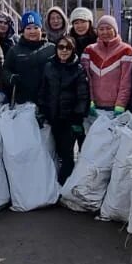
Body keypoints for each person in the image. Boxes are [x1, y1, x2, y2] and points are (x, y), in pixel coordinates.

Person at [35, 35, 90, 184]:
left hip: (69, 120)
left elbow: (83, 96)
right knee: (54, 152)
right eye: (61, 47)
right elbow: (43, 91)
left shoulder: (78, 69)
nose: (64, 51)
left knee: (68, 155)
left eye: (68, 47)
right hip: (52, 118)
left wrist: (77, 117)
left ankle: (64, 186)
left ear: (73, 50)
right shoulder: (49, 66)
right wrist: (42, 111)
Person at [82, 15, 132, 114]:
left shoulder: (126, 50)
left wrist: (120, 105)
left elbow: (126, 81)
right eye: (101, 29)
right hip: (95, 107)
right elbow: (86, 79)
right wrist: (90, 100)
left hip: (115, 107)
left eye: (109, 28)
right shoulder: (89, 50)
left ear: (115, 30)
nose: (105, 32)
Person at [4, 11, 54, 106]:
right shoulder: (14, 50)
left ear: (41, 29)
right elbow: (5, 69)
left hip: (48, 100)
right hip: (23, 101)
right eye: (28, 28)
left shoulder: (51, 48)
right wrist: (11, 78)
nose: (32, 31)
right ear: (23, 30)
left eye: (36, 27)